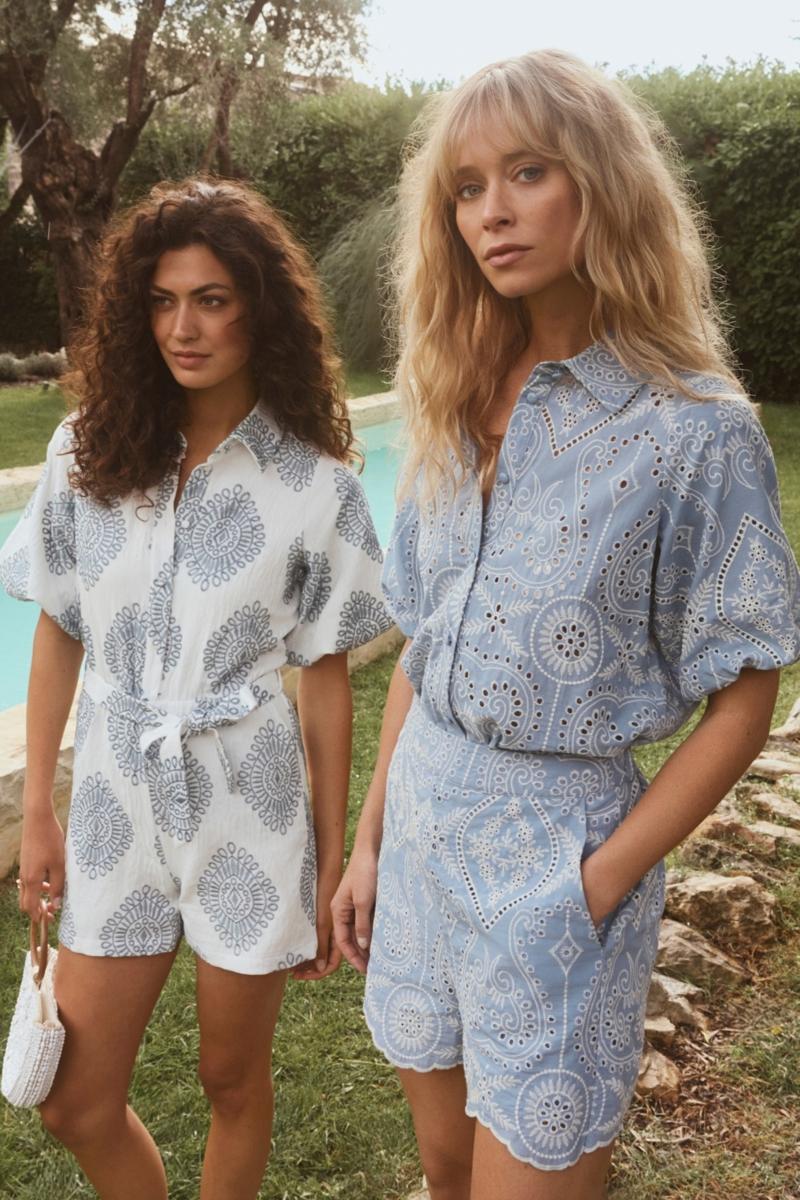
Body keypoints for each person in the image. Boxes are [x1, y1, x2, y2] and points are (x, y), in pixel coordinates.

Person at [331, 49, 800, 1200]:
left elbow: (746, 693)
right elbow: (421, 649)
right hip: (421, 831)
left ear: (602, 182)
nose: (490, 211)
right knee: (445, 1167)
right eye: (466, 187)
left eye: (526, 172)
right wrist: (368, 840)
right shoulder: (448, 404)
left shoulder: (693, 432)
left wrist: (595, 886)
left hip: (556, 855)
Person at [0, 178, 391, 1200]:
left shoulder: (317, 485)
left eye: (212, 299)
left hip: (249, 804)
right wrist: (37, 811)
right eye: (164, 300)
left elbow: (325, 679)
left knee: (230, 1077)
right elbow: (59, 627)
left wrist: (327, 855)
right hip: (114, 804)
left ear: (259, 308)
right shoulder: (86, 452)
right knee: (73, 1102)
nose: (183, 327)